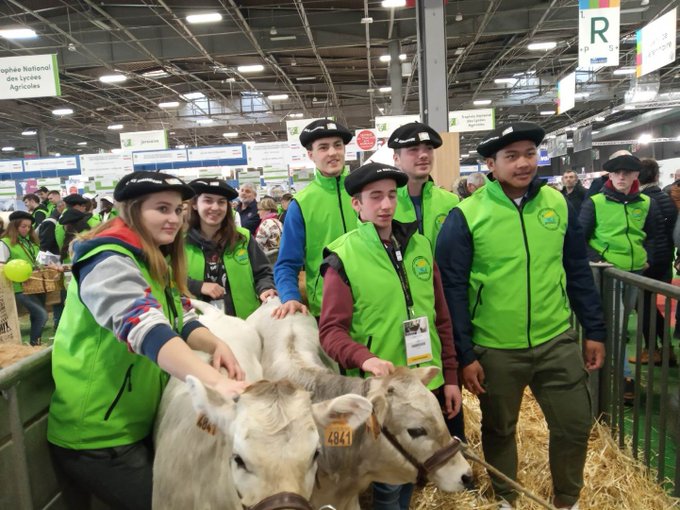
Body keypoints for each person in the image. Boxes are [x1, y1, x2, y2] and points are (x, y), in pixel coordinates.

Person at [47, 171, 247, 510]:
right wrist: (215, 382)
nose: (173, 219)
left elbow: (179, 316)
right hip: (97, 437)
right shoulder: (108, 259)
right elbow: (142, 325)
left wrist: (216, 345)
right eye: (162, 209)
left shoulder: (151, 257)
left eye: (177, 209)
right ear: (132, 210)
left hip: (131, 423)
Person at [436, 122, 606, 510]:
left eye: (530, 153)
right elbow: (453, 291)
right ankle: (506, 498)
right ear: (491, 165)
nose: (523, 163)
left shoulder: (558, 204)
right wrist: (466, 354)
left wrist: (594, 329)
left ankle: (568, 500)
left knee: (575, 425)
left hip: (556, 339)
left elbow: (577, 268)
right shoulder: (467, 215)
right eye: (511, 156)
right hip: (495, 347)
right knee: (500, 428)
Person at [319, 162, 461, 510]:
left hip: (424, 382)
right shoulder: (343, 256)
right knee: (387, 482)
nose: (385, 205)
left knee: (413, 471)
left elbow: (441, 318)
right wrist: (365, 359)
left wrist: (451, 377)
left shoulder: (420, 245)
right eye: (374, 197)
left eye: (391, 196)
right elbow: (330, 332)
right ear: (357, 204)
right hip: (381, 391)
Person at [579, 152, 662, 400]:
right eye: (616, 173)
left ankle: (608, 371)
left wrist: (647, 258)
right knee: (614, 325)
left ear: (637, 175)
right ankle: (623, 377)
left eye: (627, 172)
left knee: (621, 324)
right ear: (610, 175)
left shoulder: (647, 203)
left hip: (635, 271)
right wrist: (596, 260)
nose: (621, 177)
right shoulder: (594, 202)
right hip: (607, 273)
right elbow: (580, 236)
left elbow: (655, 235)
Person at [273, 119, 357, 319]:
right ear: (311, 155)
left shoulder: (364, 192)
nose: (332, 153)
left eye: (338, 145)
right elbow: (286, 263)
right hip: (328, 309)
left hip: (373, 303)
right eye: (323, 147)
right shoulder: (301, 205)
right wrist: (290, 296)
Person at [185, 178, 277, 319]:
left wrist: (265, 288)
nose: (215, 207)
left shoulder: (243, 238)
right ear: (195, 205)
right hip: (198, 327)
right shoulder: (179, 242)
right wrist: (198, 286)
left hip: (245, 324)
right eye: (208, 201)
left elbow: (263, 272)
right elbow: (166, 279)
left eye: (221, 202)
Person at [389, 121, 460, 250]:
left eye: (429, 148)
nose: (423, 155)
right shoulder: (386, 206)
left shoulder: (452, 202)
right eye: (413, 149)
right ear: (396, 159)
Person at [0, 211, 48, 346]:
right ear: (14, 226)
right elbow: (1, 266)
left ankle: (34, 345)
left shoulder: (32, 242)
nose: (27, 229)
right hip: (19, 287)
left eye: (29, 226)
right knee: (42, 315)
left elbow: (37, 260)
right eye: (23, 226)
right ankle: (35, 344)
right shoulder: (5, 243)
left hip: (37, 284)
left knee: (36, 316)